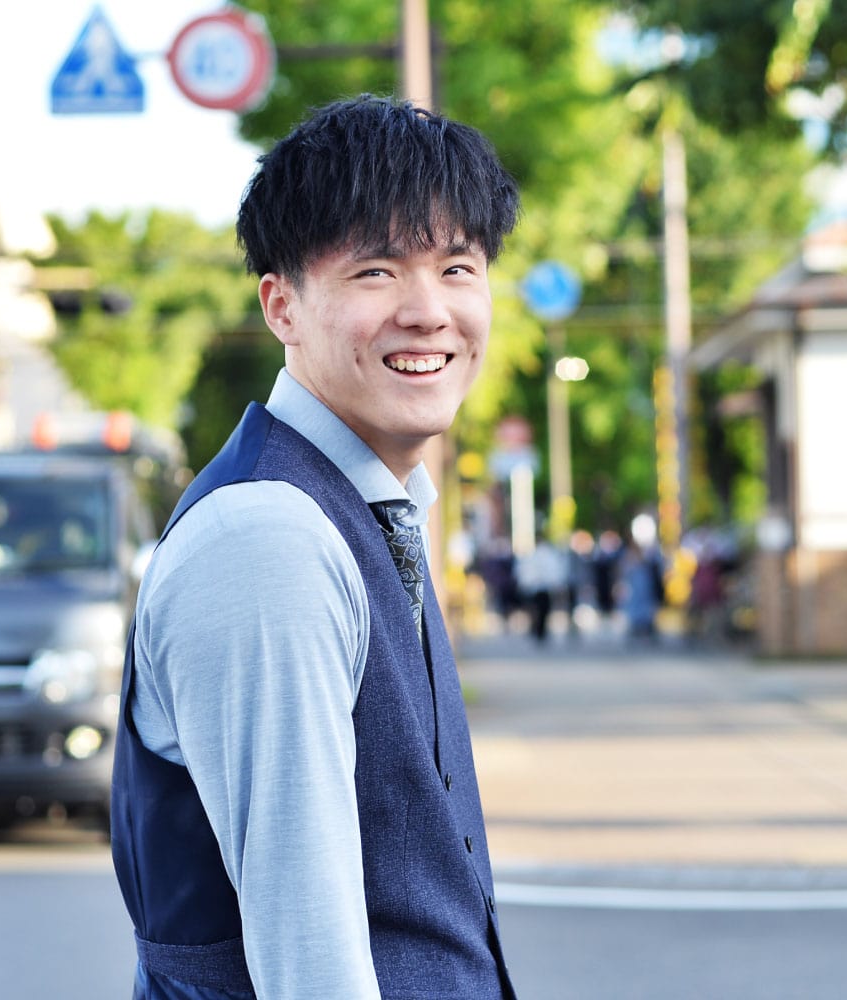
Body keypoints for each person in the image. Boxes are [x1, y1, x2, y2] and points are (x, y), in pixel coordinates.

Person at [110, 95, 520, 1000]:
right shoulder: (268, 539)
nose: (429, 311)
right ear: (282, 305)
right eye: (376, 270)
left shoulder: (367, 508)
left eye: (457, 267)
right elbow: (310, 958)